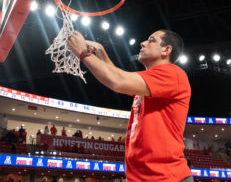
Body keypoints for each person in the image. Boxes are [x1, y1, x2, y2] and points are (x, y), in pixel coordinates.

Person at [68, 29, 192, 182]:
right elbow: (118, 75)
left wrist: (84, 53)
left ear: (166, 50)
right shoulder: (151, 82)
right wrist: (100, 51)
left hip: (167, 177)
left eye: (151, 40)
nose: (143, 43)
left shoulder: (172, 74)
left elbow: (118, 81)